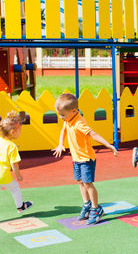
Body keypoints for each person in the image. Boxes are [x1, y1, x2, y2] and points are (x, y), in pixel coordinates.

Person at [52, 93, 118, 225]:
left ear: (74, 111)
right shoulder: (68, 119)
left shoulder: (79, 123)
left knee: (88, 184)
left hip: (86, 158)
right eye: (59, 115)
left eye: (63, 115)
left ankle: (96, 208)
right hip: (76, 158)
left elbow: (93, 134)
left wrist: (108, 145)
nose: (61, 118)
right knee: (80, 182)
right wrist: (60, 144)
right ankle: (87, 204)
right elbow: (63, 131)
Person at [0, 112, 33, 227]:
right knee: (15, 188)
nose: (20, 132)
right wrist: (18, 175)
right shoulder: (12, 146)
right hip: (4, 176)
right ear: (12, 132)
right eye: (19, 130)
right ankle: (20, 206)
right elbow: (14, 164)